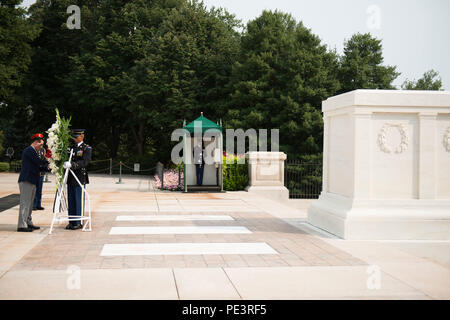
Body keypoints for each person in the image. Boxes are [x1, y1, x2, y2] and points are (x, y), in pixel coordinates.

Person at [17, 133, 49, 232]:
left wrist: (50, 167)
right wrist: (49, 163)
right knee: (25, 203)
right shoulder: (29, 150)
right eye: (40, 145)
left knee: (30, 204)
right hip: (27, 180)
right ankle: (22, 225)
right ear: (35, 142)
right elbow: (38, 162)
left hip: (32, 180)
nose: (41, 147)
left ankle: (28, 222)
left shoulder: (34, 151)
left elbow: (39, 166)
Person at [65, 129, 92, 230]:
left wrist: (73, 165)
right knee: (71, 199)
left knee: (78, 199)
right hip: (71, 176)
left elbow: (85, 162)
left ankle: (78, 222)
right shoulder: (71, 147)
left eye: (77, 136)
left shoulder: (86, 148)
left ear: (82, 136)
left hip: (80, 177)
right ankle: (71, 221)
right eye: (74, 136)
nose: (75, 138)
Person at [32, 146, 47, 210]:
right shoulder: (32, 149)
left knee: (39, 190)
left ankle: (38, 204)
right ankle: (33, 205)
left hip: (41, 173)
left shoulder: (43, 150)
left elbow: (44, 159)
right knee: (34, 189)